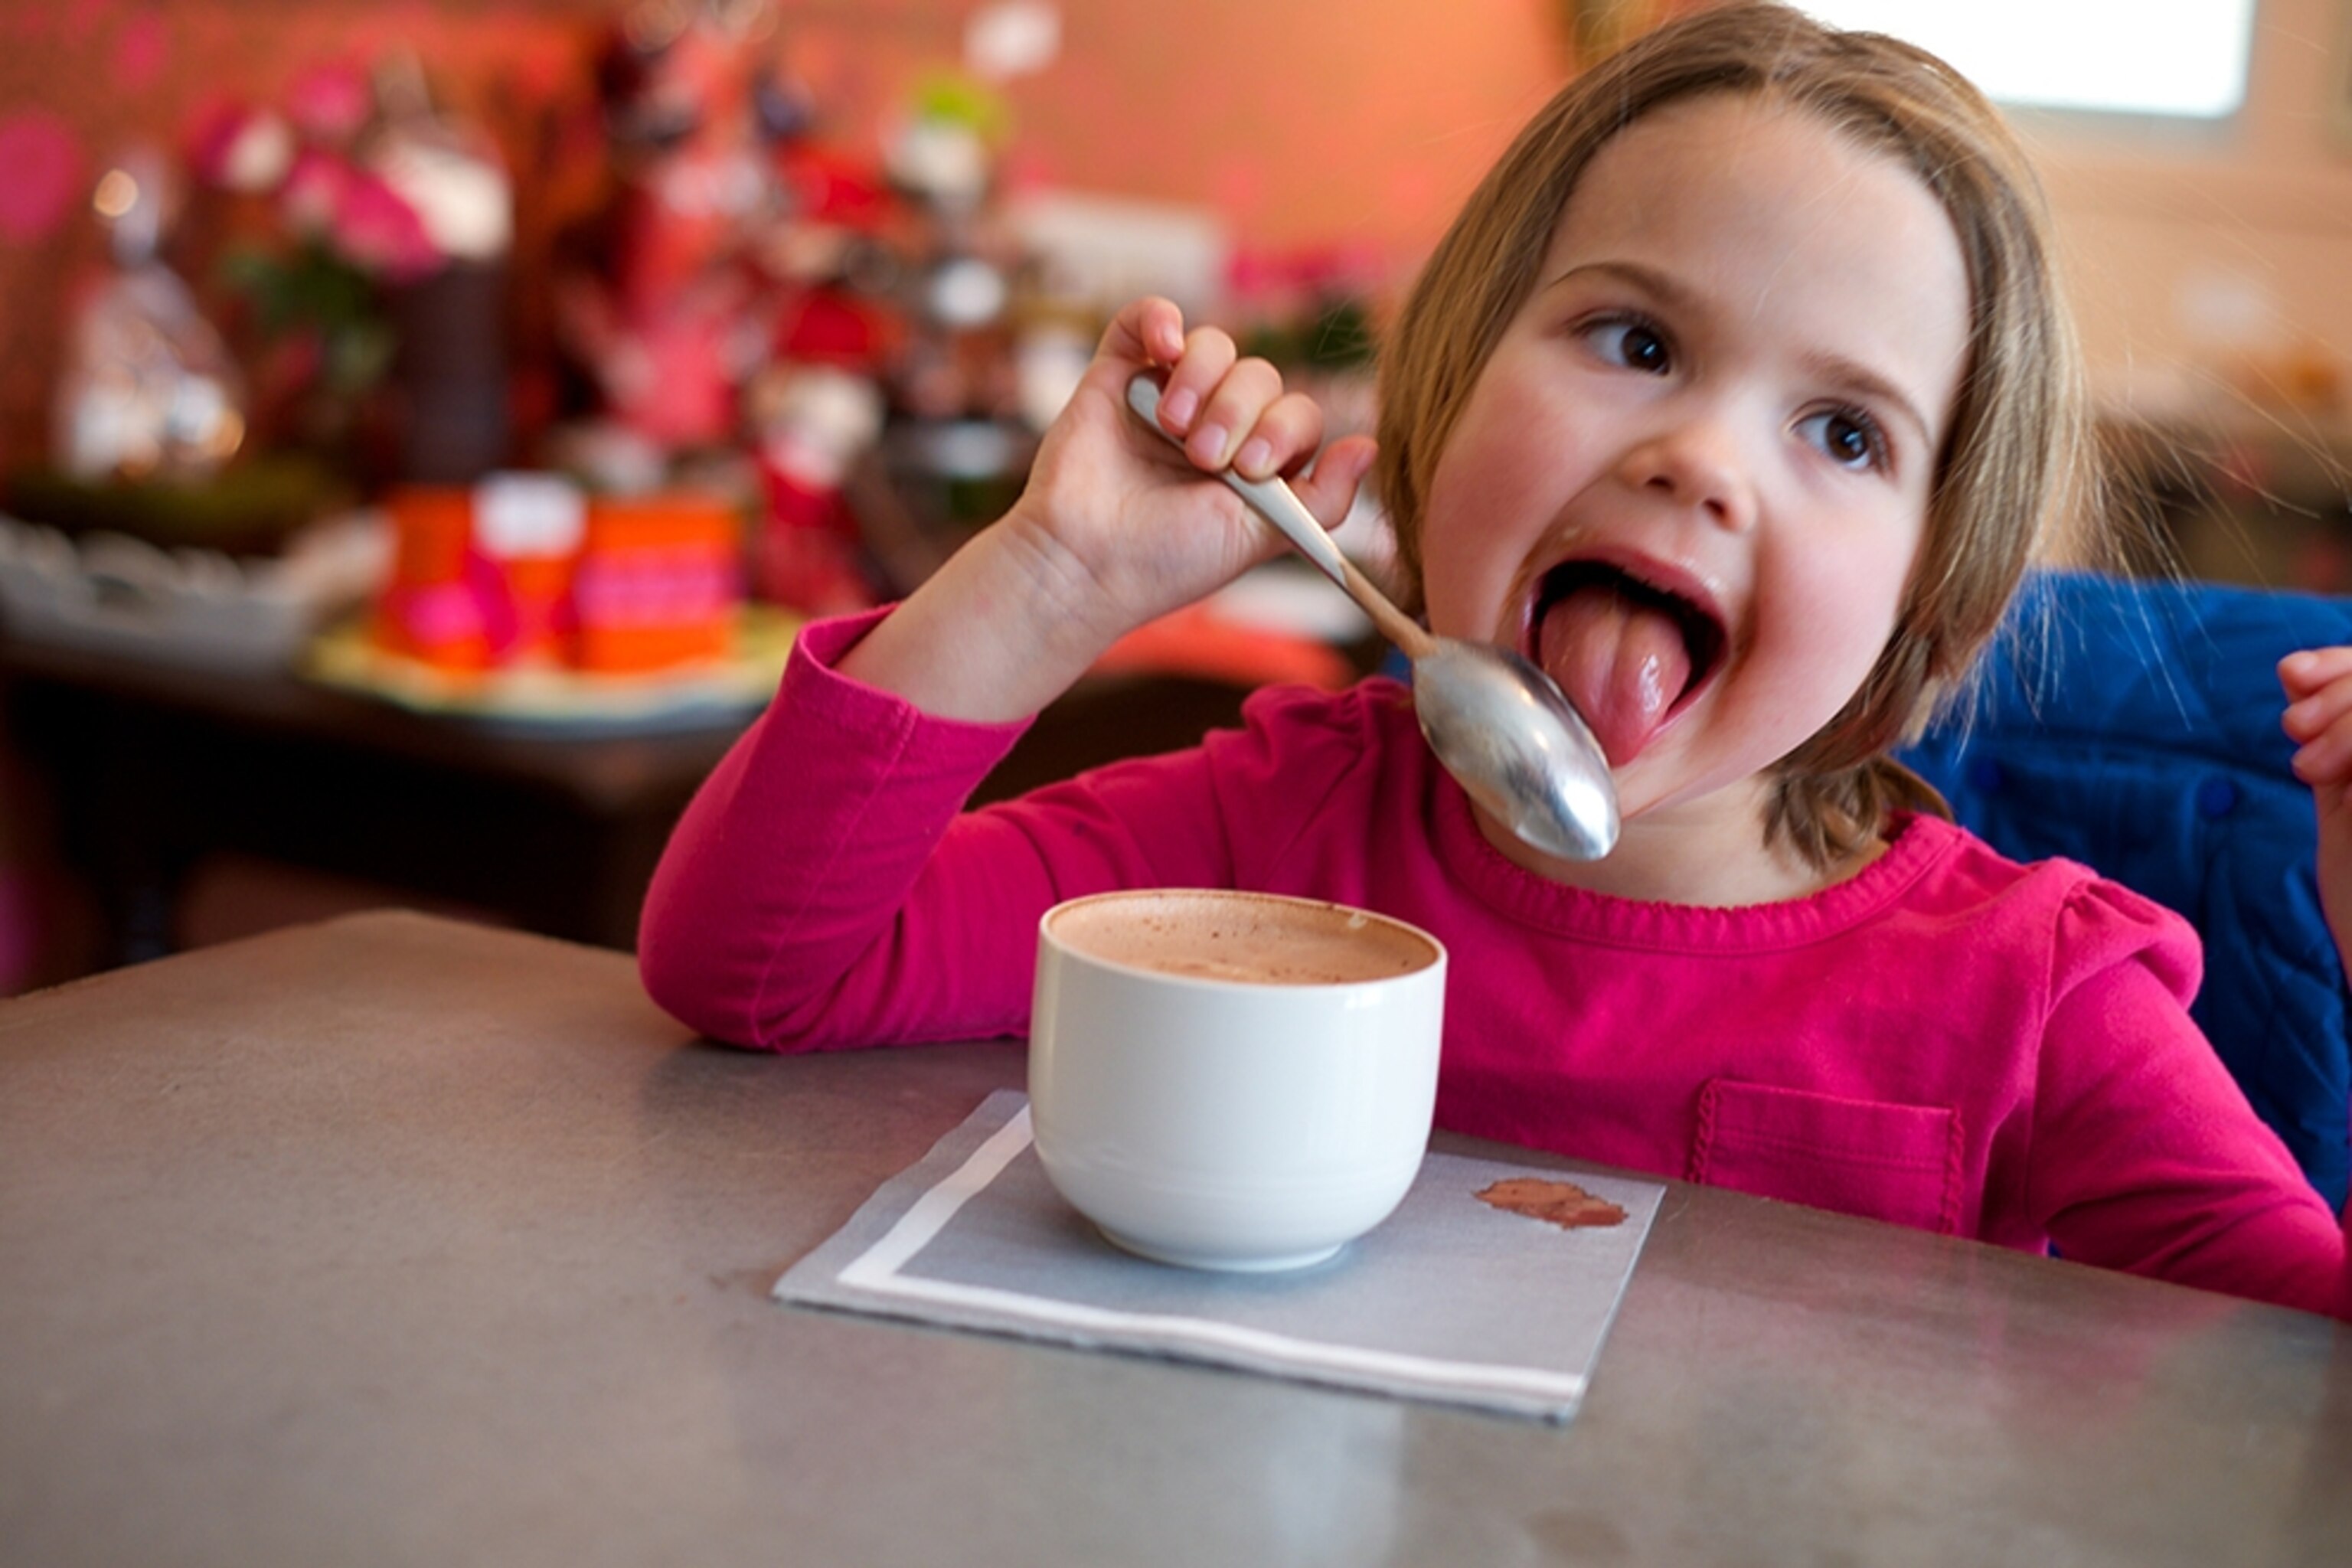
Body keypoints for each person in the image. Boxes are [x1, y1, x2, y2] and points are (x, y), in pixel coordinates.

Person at [640, 2, 2350, 1319]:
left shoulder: (2037, 998)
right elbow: (760, 969)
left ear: (1933, 607)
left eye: (1842, 431)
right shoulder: (1264, 845)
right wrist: (1054, 574)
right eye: (1638, 340)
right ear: (1445, 406)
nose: (1704, 458)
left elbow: (2301, 1373)